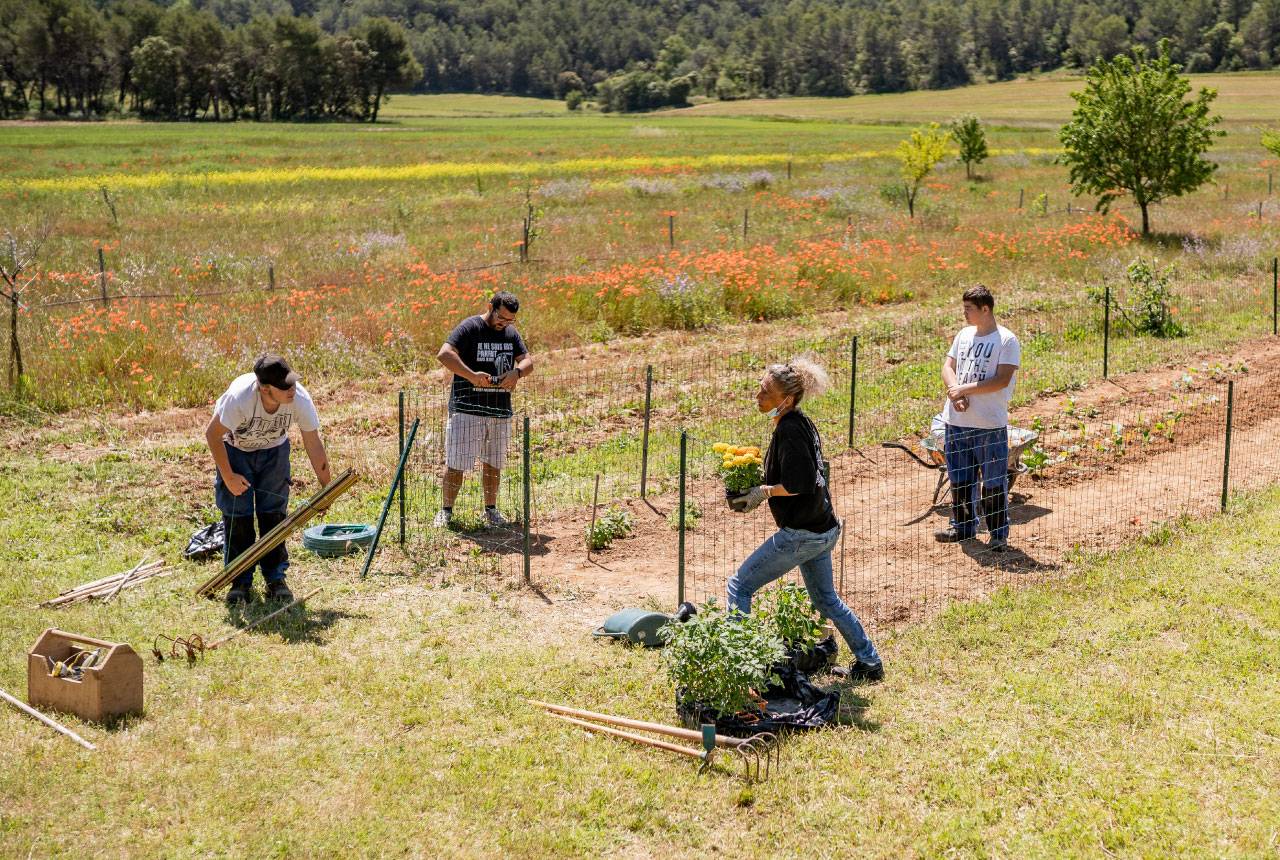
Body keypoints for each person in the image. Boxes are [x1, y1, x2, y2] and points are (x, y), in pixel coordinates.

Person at [725, 358, 884, 683]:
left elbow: (799, 482)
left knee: (739, 586)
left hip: (802, 535)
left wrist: (763, 492)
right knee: (826, 600)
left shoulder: (790, 430)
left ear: (786, 399)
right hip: (823, 529)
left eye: (765, 391)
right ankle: (869, 662)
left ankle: (738, 667)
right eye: (759, 386)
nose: (758, 394)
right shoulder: (800, 424)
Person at [204, 354, 332, 605]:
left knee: (273, 514)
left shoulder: (300, 399)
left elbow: (313, 442)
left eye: (292, 382)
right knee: (237, 515)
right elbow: (212, 434)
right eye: (284, 387)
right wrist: (228, 476)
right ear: (264, 388)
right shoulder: (239, 398)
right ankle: (239, 581)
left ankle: (275, 579)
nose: (292, 390)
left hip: (274, 451)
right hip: (235, 450)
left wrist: (327, 486)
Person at [435, 291, 534, 528]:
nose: (505, 323)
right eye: (501, 317)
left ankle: (490, 510)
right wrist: (471, 376)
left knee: (493, 463)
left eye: (510, 320)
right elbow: (444, 354)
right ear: (490, 306)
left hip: (499, 410)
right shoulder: (470, 327)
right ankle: (446, 512)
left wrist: (517, 372)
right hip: (467, 407)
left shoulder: (510, 333)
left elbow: (528, 361)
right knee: (457, 462)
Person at [936, 285, 1021, 552]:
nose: (964, 313)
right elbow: (948, 367)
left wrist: (964, 389)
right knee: (960, 479)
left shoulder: (1006, 340)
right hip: (957, 422)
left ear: (986, 309)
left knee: (994, 482)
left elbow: (1001, 379)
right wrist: (954, 392)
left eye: (969, 309)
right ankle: (962, 527)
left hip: (988, 424)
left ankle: (998, 535)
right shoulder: (963, 335)